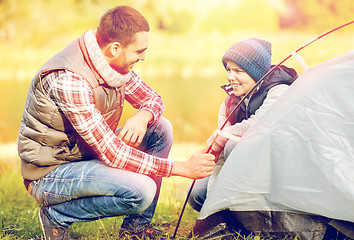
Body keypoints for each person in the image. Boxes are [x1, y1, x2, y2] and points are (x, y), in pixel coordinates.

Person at [17, 5, 215, 240]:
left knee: (161, 128)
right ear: (115, 48)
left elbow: (153, 100)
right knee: (142, 191)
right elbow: (113, 154)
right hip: (49, 174)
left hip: (83, 156)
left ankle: (135, 229)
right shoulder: (71, 81)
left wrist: (143, 117)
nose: (143, 57)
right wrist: (181, 168)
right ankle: (56, 216)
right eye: (139, 51)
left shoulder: (111, 63)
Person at [188, 38, 297, 212]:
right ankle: (231, 213)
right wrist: (212, 201)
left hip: (276, 173)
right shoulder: (228, 103)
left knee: (233, 143)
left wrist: (222, 136)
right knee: (196, 193)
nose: (231, 77)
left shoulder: (279, 91)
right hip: (240, 171)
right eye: (229, 69)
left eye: (238, 70)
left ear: (256, 72)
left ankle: (256, 213)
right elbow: (221, 155)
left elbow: (259, 124)